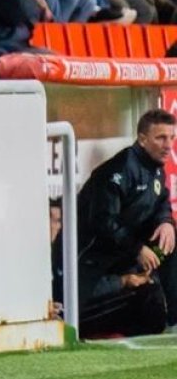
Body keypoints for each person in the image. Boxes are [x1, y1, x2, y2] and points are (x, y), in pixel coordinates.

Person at [71, 109, 177, 337]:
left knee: (171, 242)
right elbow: (103, 221)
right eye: (160, 138)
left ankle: (173, 320)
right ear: (142, 139)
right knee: (144, 299)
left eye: (172, 137)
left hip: (122, 255)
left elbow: (161, 201)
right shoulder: (118, 171)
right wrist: (137, 249)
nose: (168, 145)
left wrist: (167, 221)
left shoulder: (155, 168)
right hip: (93, 266)